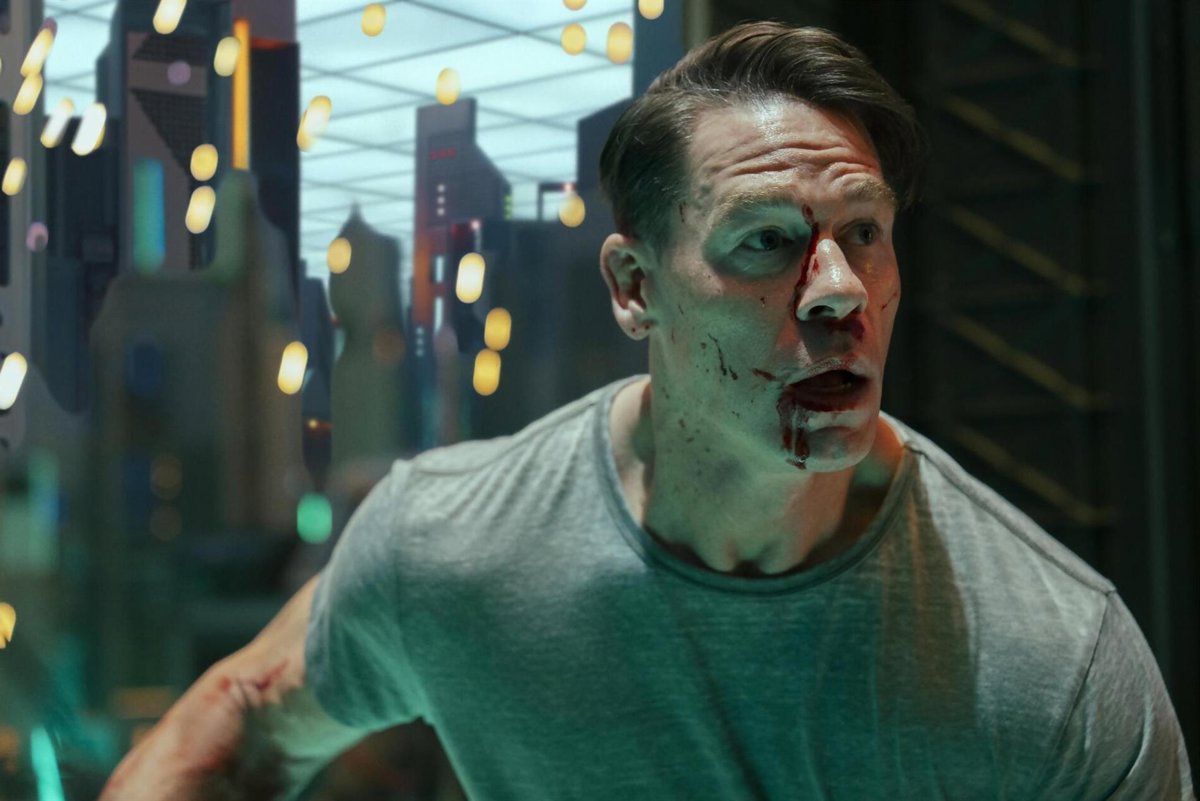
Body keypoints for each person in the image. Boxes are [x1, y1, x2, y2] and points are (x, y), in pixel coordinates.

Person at [100, 21, 1194, 801]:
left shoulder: (1052, 660)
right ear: (634, 288)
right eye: (766, 239)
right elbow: (243, 723)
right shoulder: (454, 544)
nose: (839, 290)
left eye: (864, 232)